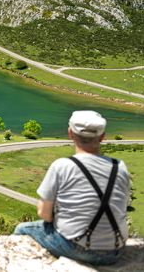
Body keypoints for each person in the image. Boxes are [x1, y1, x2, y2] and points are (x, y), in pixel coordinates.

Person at [14, 111, 129, 265]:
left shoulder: (62, 166)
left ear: (70, 134)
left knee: (22, 229)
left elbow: (43, 213)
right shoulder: (120, 167)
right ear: (102, 137)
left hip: (75, 247)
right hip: (115, 250)